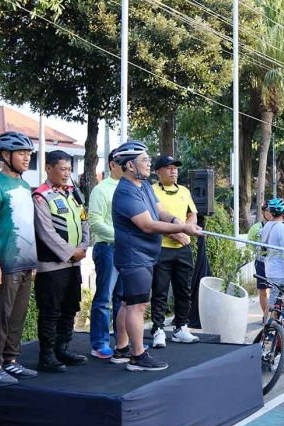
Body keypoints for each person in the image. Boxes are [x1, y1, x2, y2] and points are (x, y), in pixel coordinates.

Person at [111, 141, 203, 371]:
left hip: (144, 255)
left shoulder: (143, 187)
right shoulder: (125, 191)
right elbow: (148, 225)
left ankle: (122, 349)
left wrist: (176, 221)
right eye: (144, 160)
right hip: (134, 256)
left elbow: (159, 212)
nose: (149, 163)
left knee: (127, 302)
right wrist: (183, 229)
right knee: (137, 305)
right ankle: (137, 356)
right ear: (130, 165)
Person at [0, 132, 38, 385]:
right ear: (5, 155)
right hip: (5, 264)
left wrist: (33, 262)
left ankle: (10, 361)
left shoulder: (25, 186)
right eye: (21, 153)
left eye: (28, 153)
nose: (27, 158)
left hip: (25, 263)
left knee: (17, 316)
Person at [32, 150, 90, 373]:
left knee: (70, 307)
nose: (67, 174)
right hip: (52, 266)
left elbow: (84, 221)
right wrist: (70, 252)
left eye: (69, 169)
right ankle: (46, 356)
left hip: (74, 264)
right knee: (50, 310)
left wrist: (83, 247)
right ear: (49, 168)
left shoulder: (73, 193)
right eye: (62, 169)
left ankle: (62, 349)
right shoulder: (41, 196)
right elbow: (46, 232)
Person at [150, 155, 200, 348]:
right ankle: (158, 329)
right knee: (160, 290)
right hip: (161, 248)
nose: (173, 171)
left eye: (175, 168)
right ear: (158, 172)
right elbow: (156, 217)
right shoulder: (152, 191)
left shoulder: (184, 191)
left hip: (183, 249)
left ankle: (181, 328)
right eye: (168, 167)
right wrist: (179, 233)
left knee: (184, 290)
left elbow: (192, 214)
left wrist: (187, 229)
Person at [87, 148, 123, 359]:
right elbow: (95, 223)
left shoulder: (131, 188)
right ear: (112, 164)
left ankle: (122, 342)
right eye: (124, 162)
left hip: (127, 251)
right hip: (107, 248)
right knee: (104, 298)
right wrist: (121, 237)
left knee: (123, 299)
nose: (129, 166)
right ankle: (99, 343)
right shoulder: (101, 190)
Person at [261, 198, 284, 309]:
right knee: (277, 304)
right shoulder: (281, 229)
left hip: (270, 269)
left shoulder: (267, 226)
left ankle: (269, 324)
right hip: (280, 272)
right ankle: (269, 325)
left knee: (274, 301)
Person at [247, 201, 272, 321]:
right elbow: (249, 243)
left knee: (277, 291)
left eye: (271, 210)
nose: (269, 213)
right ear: (263, 212)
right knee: (263, 291)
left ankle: (275, 317)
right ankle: (266, 316)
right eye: (266, 210)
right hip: (261, 262)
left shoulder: (280, 226)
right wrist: (259, 254)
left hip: (275, 263)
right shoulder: (256, 228)